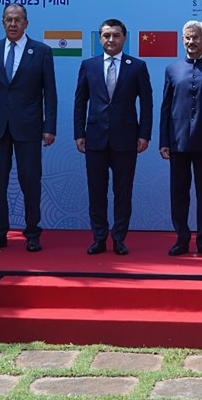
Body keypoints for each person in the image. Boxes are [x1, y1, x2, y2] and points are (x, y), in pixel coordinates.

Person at [0, 3, 57, 252]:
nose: (12, 24)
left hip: (29, 127)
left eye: (17, 20)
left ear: (26, 23)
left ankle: (32, 233)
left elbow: (49, 94)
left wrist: (49, 126)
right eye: (8, 19)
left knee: (30, 180)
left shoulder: (41, 51)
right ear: (2, 22)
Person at [74, 19, 153, 255]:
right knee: (96, 191)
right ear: (99, 38)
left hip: (126, 139)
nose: (111, 40)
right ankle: (99, 237)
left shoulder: (137, 66)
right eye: (106, 35)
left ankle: (119, 238)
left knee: (123, 191)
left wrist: (144, 134)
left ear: (124, 38)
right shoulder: (89, 65)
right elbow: (80, 102)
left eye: (116, 35)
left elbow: (147, 104)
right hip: (95, 138)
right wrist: (79, 133)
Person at [159, 20, 202, 257]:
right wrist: (163, 141)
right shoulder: (172, 69)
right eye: (187, 37)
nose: (191, 42)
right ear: (182, 39)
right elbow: (165, 108)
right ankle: (181, 238)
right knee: (179, 192)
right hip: (177, 142)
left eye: (195, 37)